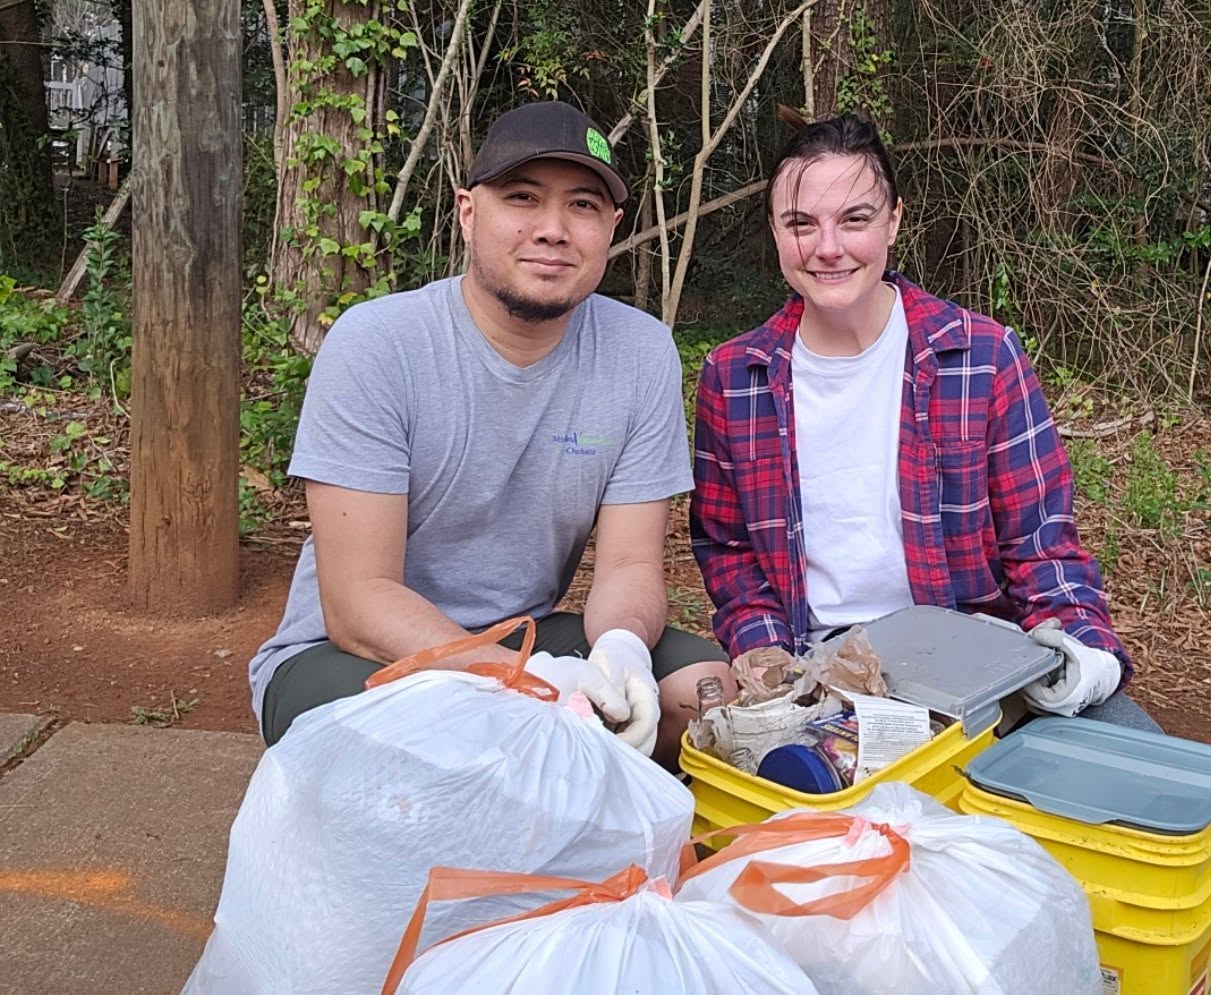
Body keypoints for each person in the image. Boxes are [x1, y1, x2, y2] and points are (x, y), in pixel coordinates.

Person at [249, 100, 731, 765]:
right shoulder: (379, 344)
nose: (553, 230)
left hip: (523, 635)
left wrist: (621, 650)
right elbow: (358, 601)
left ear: (612, 227)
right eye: (522, 198)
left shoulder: (640, 353)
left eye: (584, 206)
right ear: (469, 212)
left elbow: (629, 564)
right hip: (347, 654)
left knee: (700, 694)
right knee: (463, 734)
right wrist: (516, 685)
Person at [690, 113, 1159, 732]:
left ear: (894, 220)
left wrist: (1080, 652)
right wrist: (770, 660)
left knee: (1138, 792)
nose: (827, 247)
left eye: (854, 219)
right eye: (802, 223)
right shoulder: (734, 377)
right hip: (818, 668)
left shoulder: (982, 356)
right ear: (776, 232)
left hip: (978, 658)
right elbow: (728, 550)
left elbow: (1041, 542)